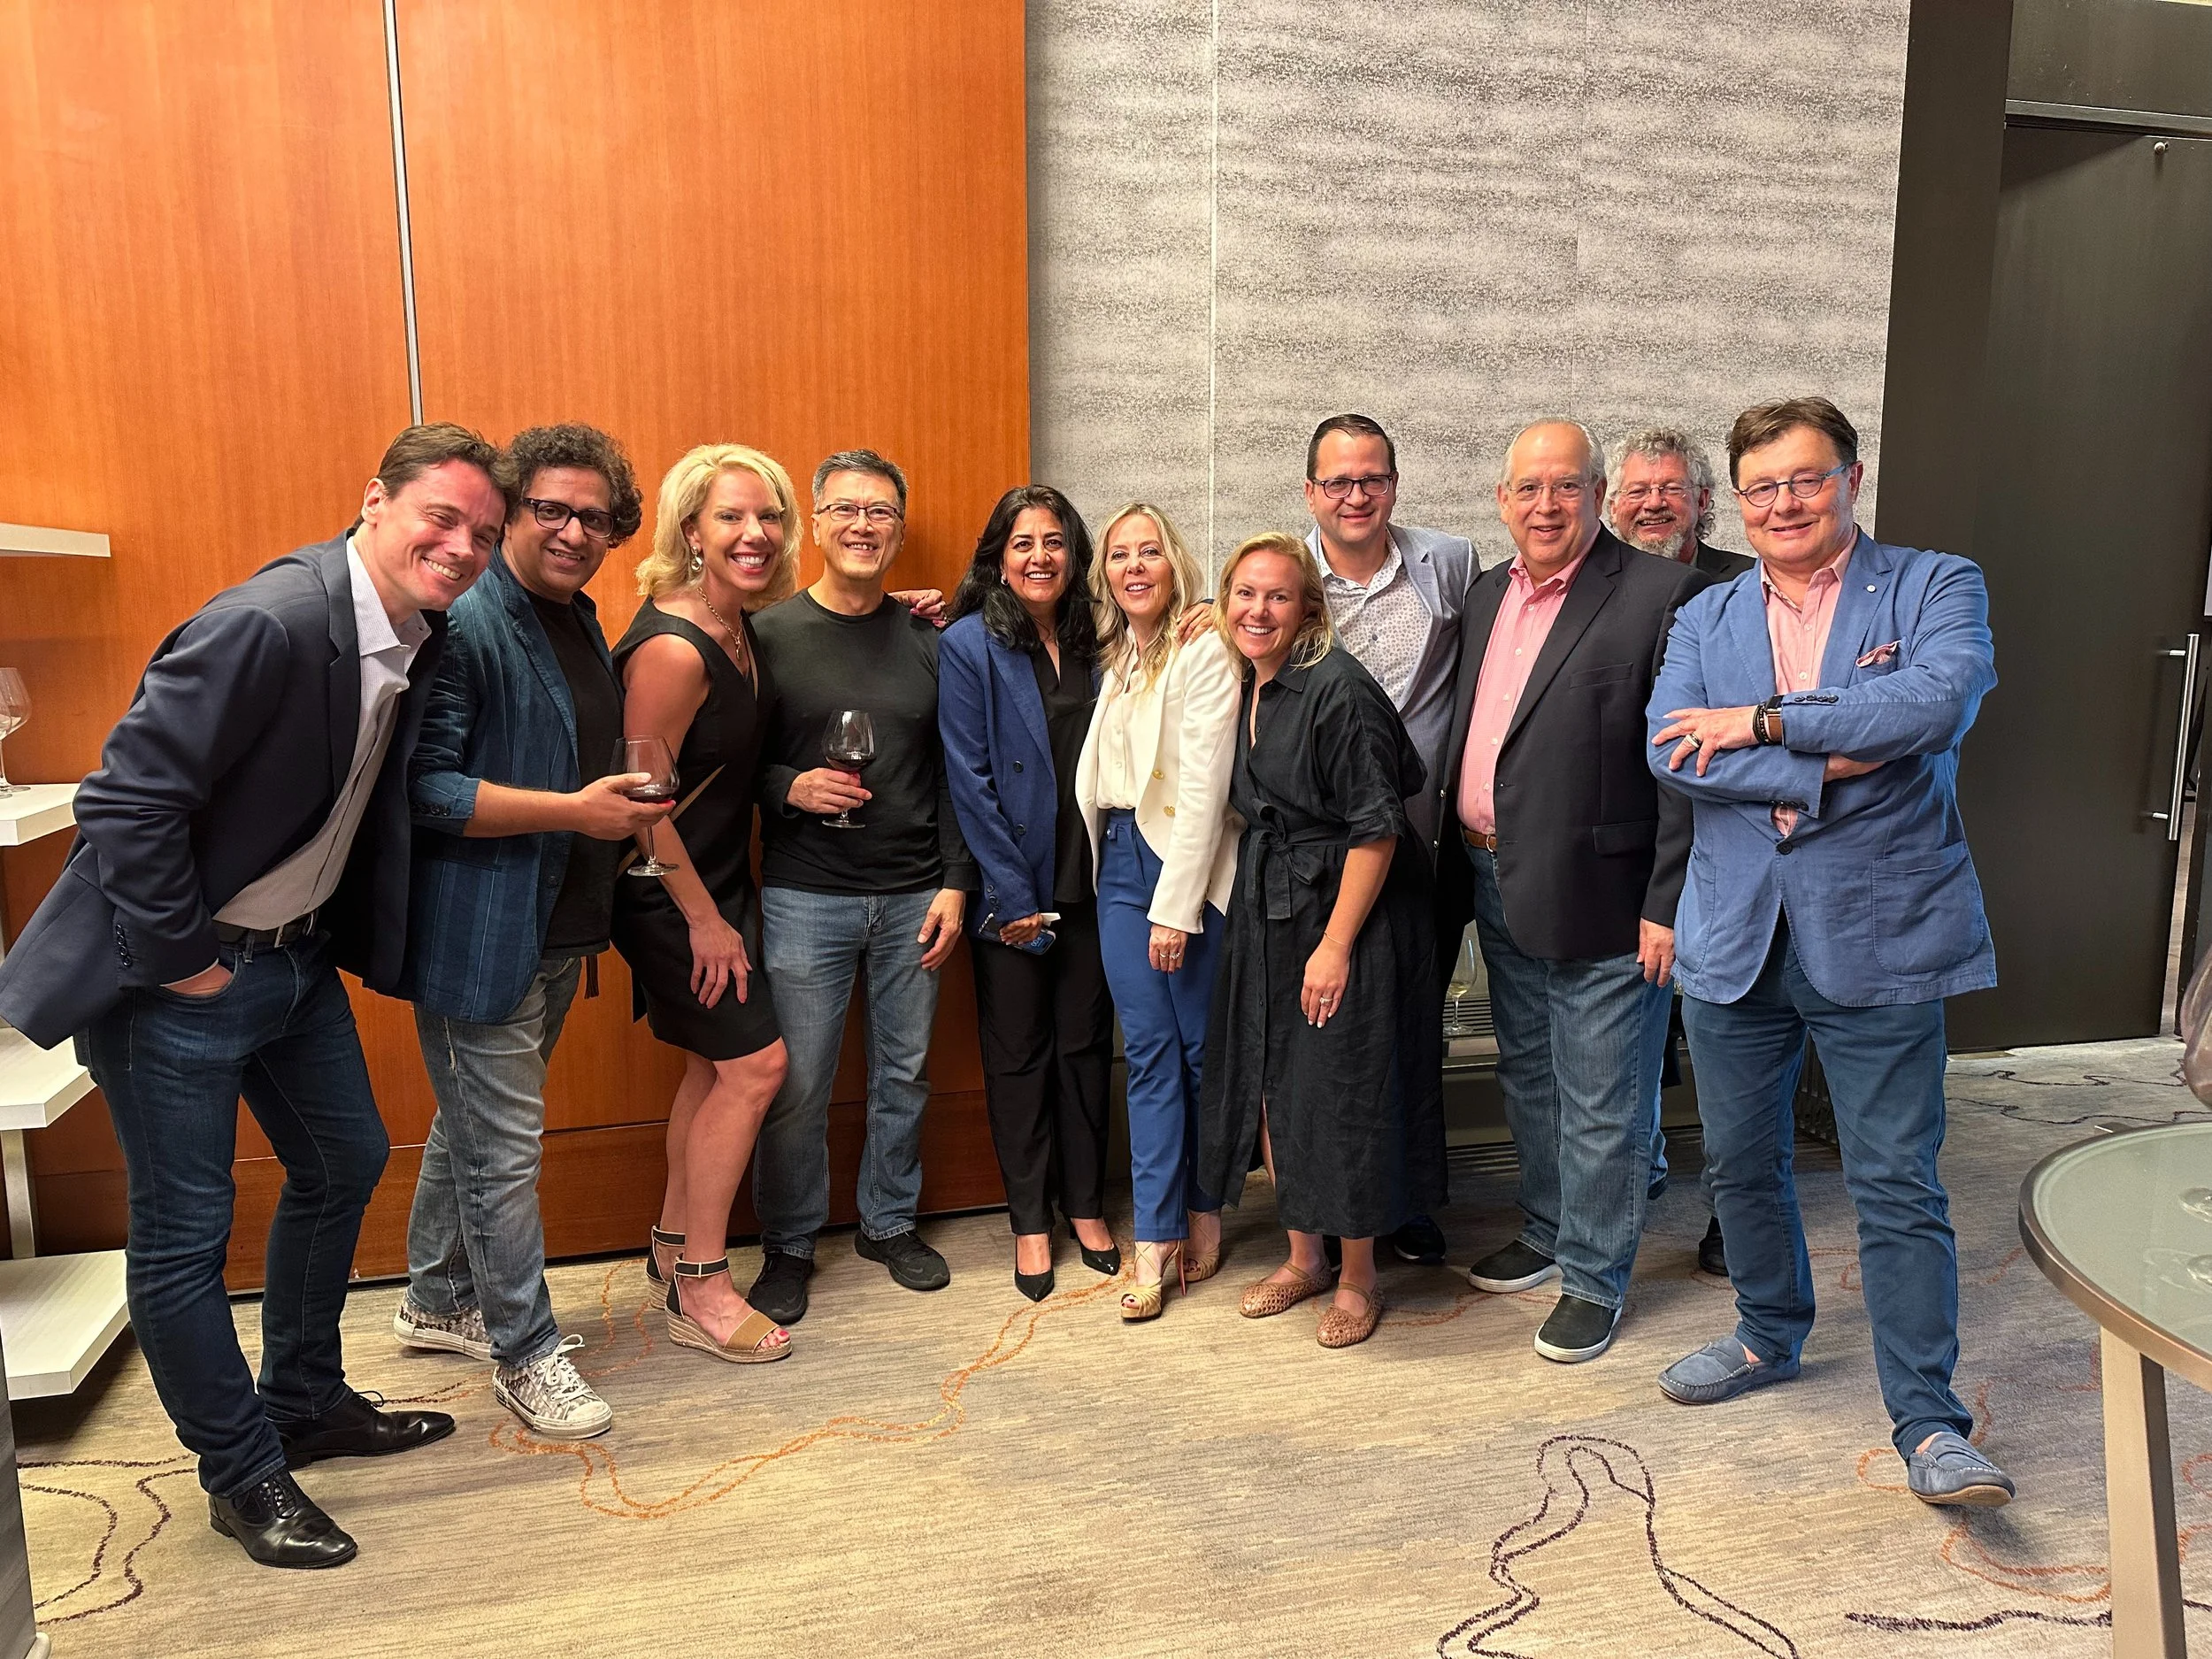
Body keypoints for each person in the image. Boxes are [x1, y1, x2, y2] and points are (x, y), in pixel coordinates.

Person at [0, 424, 506, 1568]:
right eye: (441, 517)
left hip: (293, 960)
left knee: (345, 1160)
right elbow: (124, 804)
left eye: (482, 533)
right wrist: (184, 959)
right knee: (184, 1234)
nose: (462, 547)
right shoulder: (268, 622)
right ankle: (240, 1472)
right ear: (374, 500)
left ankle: (305, 1403)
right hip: (176, 977)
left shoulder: (415, 633)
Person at [1646, 396, 2012, 1507]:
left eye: (1805, 479)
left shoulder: (1934, 584)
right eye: (1760, 488)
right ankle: (1767, 1332)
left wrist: (1761, 723)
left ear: (1850, 479)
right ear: (1736, 501)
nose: (1784, 504)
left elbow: (1932, 706)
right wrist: (1839, 749)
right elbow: (1671, 750)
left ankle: (1928, 1421)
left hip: (1882, 932)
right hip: (1733, 935)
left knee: (1895, 1180)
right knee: (1739, 1162)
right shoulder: (1702, 615)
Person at [396, 423, 668, 1436]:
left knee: (472, 1126)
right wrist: (574, 812)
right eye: (551, 509)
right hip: (482, 934)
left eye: (595, 518)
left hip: (558, 931)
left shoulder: (577, 616)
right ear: (510, 508)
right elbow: (426, 788)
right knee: (502, 1154)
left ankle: (436, 1299)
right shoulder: (469, 621)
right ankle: (524, 1351)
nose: (573, 531)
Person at [1445, 419, 1707, 1365]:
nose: (1546, 505)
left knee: (1604, 1095)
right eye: (1528, 488)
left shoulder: (1661, 595)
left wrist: (1666, 900)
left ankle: (1595, 1277)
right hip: (1495, 871)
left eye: (1565, 486)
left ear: (1598, 494)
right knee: (1528, 1070)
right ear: (1501, 500)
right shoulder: (1484, 594)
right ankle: (1550, 1226)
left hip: (1609, 886)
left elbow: (1684, 766)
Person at [1195, 532, 1446, 1349]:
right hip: (1274, 902)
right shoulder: (1250, 680)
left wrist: (1335, 946)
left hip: (1350, 910)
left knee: (1345, 1085)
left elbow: (1378, 828)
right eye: (1244, 593)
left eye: (1277, 595)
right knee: (1275, 1079)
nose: (1257, 610)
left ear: (1309, 606)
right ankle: (1304, 1256)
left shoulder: (1338, 688)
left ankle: (1359, 1275)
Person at [746, 449, 972, 1318]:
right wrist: (789, 787)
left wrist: (956, 882)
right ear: (814, 522)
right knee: (798, 1082)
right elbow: (728, 766)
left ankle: (888, 1222)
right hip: (805, 895)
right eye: (844, 508)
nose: (862, 525)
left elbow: (955, 773)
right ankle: (789, 1242)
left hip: (915, 892)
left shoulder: (930, 639)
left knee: (904, 1074)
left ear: (899, 530)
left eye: (879, 512)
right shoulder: (768, 635)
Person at [611, 444, 796, 1363]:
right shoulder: (673, 649)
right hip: (665, 892)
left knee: (710, 1069)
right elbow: (639, 807)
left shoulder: (736, 624)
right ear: (691, 530)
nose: (754, 533)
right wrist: (704, 920)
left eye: (768, 516)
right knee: (756, 1068)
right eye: (731, 516)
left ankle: (672, 1242)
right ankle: (703, 1287)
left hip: (713, 882)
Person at [1302, 412, 1474, 1268]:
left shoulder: (1452, 563)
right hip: (1314, 856)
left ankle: (1403, 1201)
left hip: (1414, 847)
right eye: (1338, 481)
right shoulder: (1280, 575)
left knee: (1411, 1028)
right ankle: (1327, 1209)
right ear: (1310, 493)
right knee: (1323, 1036)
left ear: (1395, 486)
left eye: (1371, 478)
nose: (1356, 495)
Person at [940, 486, 1118, 1300]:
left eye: (1054, 541)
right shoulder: (969, 643)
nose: (1040, 556)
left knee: (1085, 1049)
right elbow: (968, 778)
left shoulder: (1102, 637)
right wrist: (1011, 898)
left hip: (1097, 878)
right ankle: (1029, 1220)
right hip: (1012, 884)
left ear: (1074, 554)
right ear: (999, 558)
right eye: (1023, 543)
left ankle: (1085, 1204)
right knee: (1017, 1057)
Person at [1073, 503, 1240, 1318]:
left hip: (1183, 867)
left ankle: (1205, 1209)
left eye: (1150, 552)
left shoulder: (1205, 648)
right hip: (1118, 864)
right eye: (1119, 555)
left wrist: (1177, 907)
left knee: (1201, 1052)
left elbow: (1206, 788)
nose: (1134, 566)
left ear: (1175, 564)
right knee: (1146, 1052)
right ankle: (1156, 1236)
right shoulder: (1120, 659)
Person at [1606, 425, 1750, 1277]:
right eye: (1637, 490)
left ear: (1702, 501)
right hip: (1631, 851)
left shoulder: (1744, 586)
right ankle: (1648, 1166)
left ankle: (1737, 1213)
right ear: (1611, 504)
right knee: (1639, 1034)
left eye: (1670, 489)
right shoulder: (1599, 587)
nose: (1653, 504)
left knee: (1733, 1042)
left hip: (1727, 851)